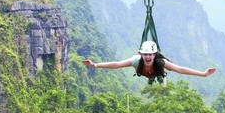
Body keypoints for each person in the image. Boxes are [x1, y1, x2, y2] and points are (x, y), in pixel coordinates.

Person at [82, 41, 216, 83]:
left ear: (154, 55)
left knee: (159, 78)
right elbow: (116, 65)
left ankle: (157, 80)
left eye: (150, 55)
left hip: (156, 73)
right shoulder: (136, 60)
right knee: (150, 79)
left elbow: (180, 69)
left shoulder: (160, 62)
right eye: (145, 54)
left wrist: (203, 74)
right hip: (145, 73)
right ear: (141, 54)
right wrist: (95, 65)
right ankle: (152, 81)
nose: (147, 57)